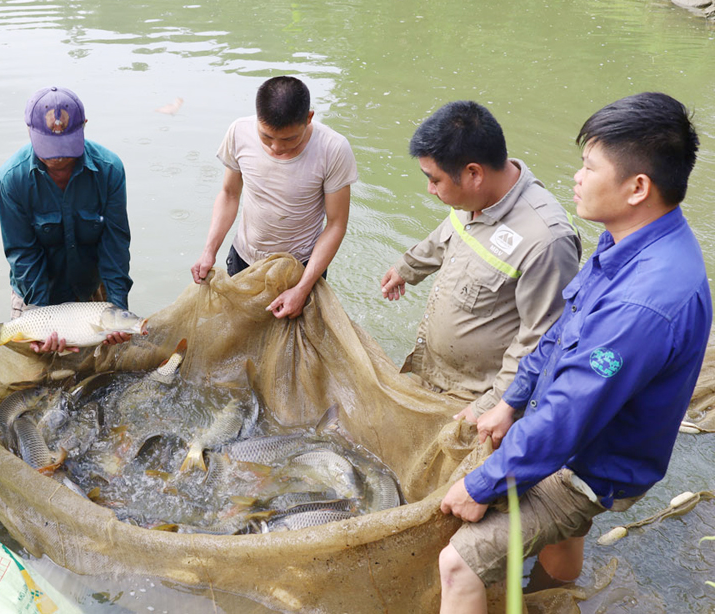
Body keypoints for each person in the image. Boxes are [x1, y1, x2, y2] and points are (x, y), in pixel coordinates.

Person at [438, 92, 711, 614]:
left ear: (637, 187)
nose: (577, 179)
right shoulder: (628, 241)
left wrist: (481, 484)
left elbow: (570, 415)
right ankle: (553, 600)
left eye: (589, 167)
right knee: (560, 532)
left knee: (460, 562)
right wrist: (512, 400)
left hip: (595, 465)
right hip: (580, 436)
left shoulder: (644, 301)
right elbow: (564, 329)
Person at [379, 101, 581, 419]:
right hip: (436, 374)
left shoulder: (546, 240)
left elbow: (541, 336)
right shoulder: (473, 197)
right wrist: (409, 267)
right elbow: (451, 232)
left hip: (476, 399)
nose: (429, 189)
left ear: (474, 173)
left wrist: (493, 405)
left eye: (435, 180)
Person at [190, 76, 358, 319]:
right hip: (244, 258)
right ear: (258, 119)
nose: (276, 148)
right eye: (266, 137)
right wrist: (209, 251)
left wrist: (302, 289)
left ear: (308, 118)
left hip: (300, 267)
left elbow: (336, 225)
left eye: (289, 139)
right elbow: (229, 195)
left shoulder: (333, 149)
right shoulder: (239, 132)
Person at [0, 86, 132, 353]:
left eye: (65, 146)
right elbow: (23, 254)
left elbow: (115, 248)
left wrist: (119, 310)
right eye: (49, 147)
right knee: (36, 377)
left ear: (84, 127)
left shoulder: (110, 170)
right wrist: (39, 321)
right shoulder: (12, 179)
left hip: (92, 291)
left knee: (100, 373)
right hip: (33, 292)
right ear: (29, 131)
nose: (58, 157)